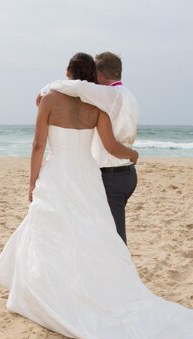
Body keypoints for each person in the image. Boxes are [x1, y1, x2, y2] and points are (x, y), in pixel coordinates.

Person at [0, 53, 193, 339]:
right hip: (87, 176)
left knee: (51, 230)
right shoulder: (98, 107)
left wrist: (32, 180)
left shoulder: (50, 100)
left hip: (58, 174)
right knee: (92, 234)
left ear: (67, 73)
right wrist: (133, 154)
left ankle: (51, 293)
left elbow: (38, 145)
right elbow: (109, 146)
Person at [38, 52, 139, 244]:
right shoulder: (129, 96)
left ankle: (120, 274)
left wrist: (45, 90)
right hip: (125, 174)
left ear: (99, 75)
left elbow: (76, 86)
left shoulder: (109, 94)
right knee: (106, 233)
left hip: (112, 174)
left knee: (114, 239)